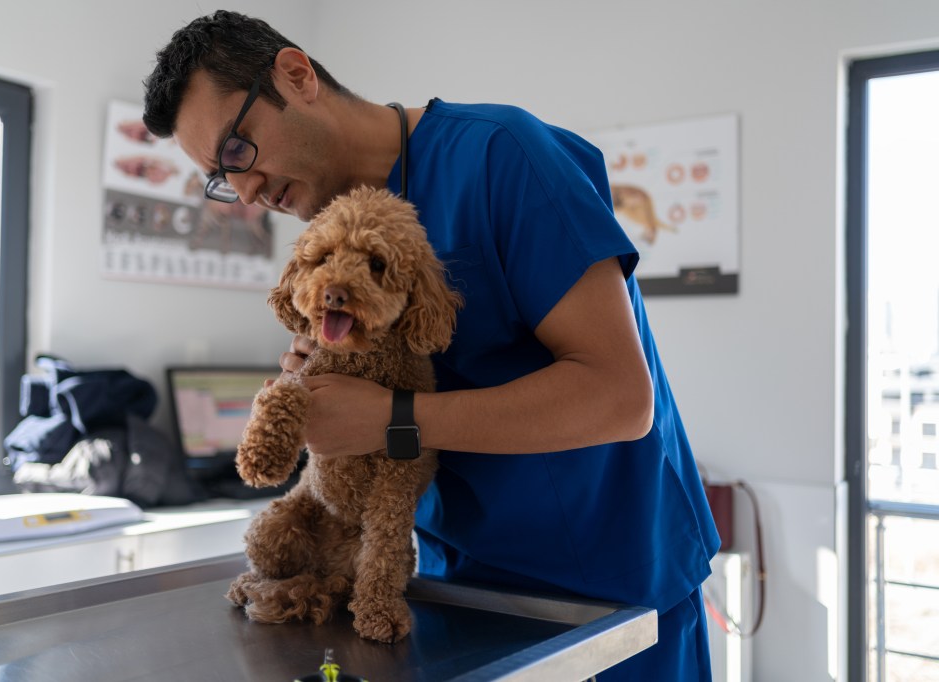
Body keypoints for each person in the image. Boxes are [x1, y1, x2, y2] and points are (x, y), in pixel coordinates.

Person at [143, 10, 720, 680]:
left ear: (296, 76)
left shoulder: (505, 157)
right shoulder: (338, 225)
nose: (243, 191)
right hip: (451, 583)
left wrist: (386, 420)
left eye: (238, 152)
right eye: (219, 177)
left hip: (609, 587)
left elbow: (621, 397)